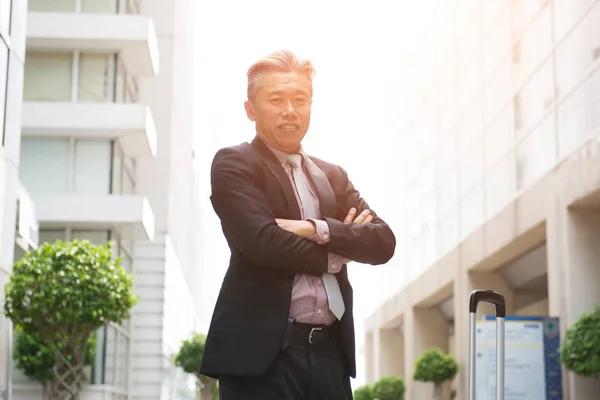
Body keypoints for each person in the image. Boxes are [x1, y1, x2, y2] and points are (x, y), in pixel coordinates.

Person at [200, 49, 396, 400]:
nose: (290, 110)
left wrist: (315, 228)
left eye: (300, 99)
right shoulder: (234, 164)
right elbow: (263, 242)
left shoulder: (333, 176)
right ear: (250, 109)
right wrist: (339, 249)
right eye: (276, 99)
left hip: (330, 356)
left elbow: (382, 242)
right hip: (263, 359)